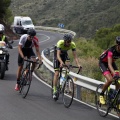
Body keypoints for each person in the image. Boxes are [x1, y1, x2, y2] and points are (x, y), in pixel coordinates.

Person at [53, 33, 81, 99]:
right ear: (65, 41)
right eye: (68, 42)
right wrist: (61, 62)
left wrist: (78, 64)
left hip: (64, 54)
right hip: (57, 55)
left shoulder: (72, 45)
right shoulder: (60, 43)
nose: (69, 43)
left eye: (70, 41)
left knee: (68, 65)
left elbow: (75, 57)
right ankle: (54, 90)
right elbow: (58, 55)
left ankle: (64, 79)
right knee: (57, 73)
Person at [99, 36, 120, 104]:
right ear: (117, 45)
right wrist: (114, 74)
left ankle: (115, 97)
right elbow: (109, 65)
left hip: (111, 62)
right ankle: (101, 94)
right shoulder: (111, 50)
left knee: (118, 81)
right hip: (103, 63)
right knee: (110, 79)